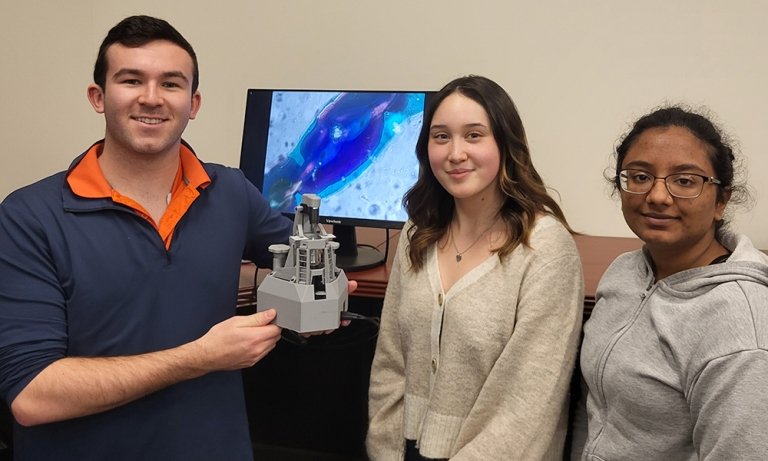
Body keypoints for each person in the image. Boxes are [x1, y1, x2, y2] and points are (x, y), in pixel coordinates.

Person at [0, 15, 342, 460]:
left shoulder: (230, 192)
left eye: (171, 83)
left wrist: (319, 307)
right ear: (98, 97)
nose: (151, 98)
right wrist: (200, 356)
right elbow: (32, 396)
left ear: (193, 102)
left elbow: (303, 256)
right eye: (131, 80)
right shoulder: (29, 217)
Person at [366, 75, 585, 460]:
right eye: (441, 136)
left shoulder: (545, 249)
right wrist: (385, 452)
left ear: (505, 143)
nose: (455, 153)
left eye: (473, 135)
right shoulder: (418, 234)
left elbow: (529, 404)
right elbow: (390, 363)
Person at [572, 106, 768, 459]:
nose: (658, 196)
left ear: (721, 200)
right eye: (640, 176)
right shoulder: (625, 271)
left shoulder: (739, 327)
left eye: (685, 181)